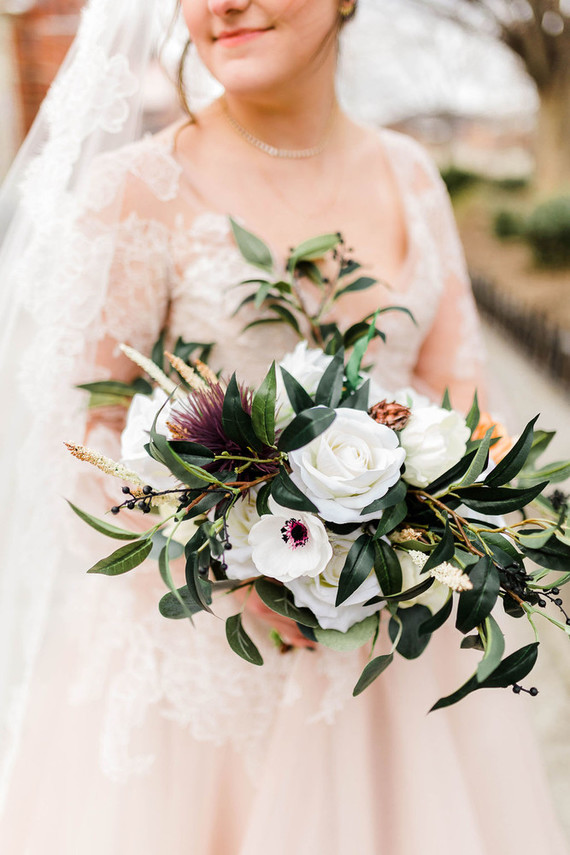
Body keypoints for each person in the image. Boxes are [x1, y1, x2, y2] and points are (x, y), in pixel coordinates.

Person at [0, 0, 567, 852]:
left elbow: (465, 407)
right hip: (198, 674)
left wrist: (429, 538)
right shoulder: (140, 188)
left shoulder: (412, 173)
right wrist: (231, 567)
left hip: (394, 663)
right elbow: (88, 430)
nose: (223, 4)